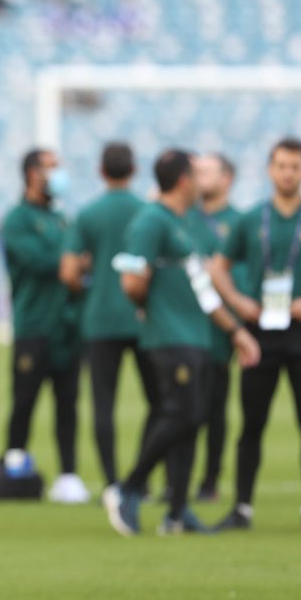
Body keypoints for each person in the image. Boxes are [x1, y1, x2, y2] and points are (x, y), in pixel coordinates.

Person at [104, 151, 260, 536]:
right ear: (184, 181)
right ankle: (129, 486)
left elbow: (203, 287)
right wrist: (151, 307)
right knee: (183, 414)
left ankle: (177, 512)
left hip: (198, 334)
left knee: (193, 421)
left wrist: (235, 330)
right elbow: (130, 280)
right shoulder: (151, 221)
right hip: (169, 336)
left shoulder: (186, 223)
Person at [210, 138, 301, 532]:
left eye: (295, 166)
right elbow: (218, 267)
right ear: (269, 170)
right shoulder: (251, 219)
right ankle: (242, 508)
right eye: (281, 165)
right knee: (251, 424)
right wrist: (239, 302)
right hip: (260, 333)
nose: (288, 172)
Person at [60, 142, 156, 492]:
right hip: (143, 317)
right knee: (159, 402)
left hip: (99, 319)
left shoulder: (88, 214)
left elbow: (68, 272)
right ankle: (141, 477)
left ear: (101, 171)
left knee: (103, 404)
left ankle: (113, 481)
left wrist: (89, 280)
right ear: (134, 170)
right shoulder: (147, 212)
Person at [1, 150, 86, 503]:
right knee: (24, 400)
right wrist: (73, 262)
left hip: (67, 326)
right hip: (33, 323)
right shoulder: (17, 219)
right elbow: (38, 261)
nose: (58, 173)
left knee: (68, 403)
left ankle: (68, 474)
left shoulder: (63, 219)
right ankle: (14, 463)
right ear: (32, 174)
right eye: (51, 167)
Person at [183, 153, 243, 502]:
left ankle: (210, 480)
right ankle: (179, 480)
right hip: (183, 328)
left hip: (219, 332)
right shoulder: (183, 218)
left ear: (227, 178)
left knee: (215, 410)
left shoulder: (239, 222)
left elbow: (240, 274)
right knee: (179, 409)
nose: (198, 177)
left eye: (206, 170)